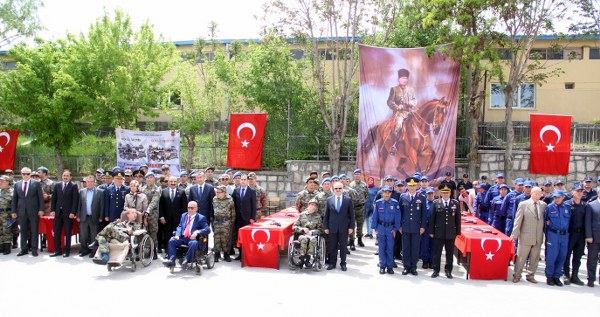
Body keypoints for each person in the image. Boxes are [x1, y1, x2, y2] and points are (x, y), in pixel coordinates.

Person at [510, 186, 546, 284]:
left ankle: (531, 275)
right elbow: (518, 220)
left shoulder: (543, 205)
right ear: (532, 193)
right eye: (536, 193)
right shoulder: (523, 204)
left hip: (538, 236)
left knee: (534, 258)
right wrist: (515, 234)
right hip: (525, 235)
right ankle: (517, 275)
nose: (538, 196)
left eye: (540, 194)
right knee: (521, 257)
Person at [163, 201, 211, 268]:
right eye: (188, 208)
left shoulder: (201, 218)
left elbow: (207, 229)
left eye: (192, 208)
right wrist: (177, 234)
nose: (190, 210)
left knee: (193, 243)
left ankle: (187, 260)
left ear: (196, 209)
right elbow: (180, 226)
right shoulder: (184, 215)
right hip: (183, 237)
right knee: (172, 241)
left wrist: (197, 232)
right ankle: (171, 260)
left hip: (193, 238)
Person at [429, 184, 461, 278]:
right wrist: (431, 231)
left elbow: (458, 219)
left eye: (447, 192)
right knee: (437, 253)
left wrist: (458, 232)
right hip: (438, 232)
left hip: (450, 233)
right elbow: (432, 219)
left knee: (449, 253)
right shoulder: (436, 203)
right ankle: (436, 270)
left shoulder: (455, 203)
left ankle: (448, 271)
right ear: (440, 193)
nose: (446, 194)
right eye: (443, 192)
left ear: (450, 193)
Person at [12, 167, 45, 257]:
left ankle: (34, 249)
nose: (26, 175)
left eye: (27, 174)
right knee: (23, 230)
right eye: (24, 174)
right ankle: (24, 249)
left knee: (34, 230)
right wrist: (14, 211)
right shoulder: (17, 184)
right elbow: (15, 198)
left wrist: (41, 209)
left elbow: (40, 198)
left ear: (30, 174)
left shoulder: (36, 184)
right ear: (21, 174)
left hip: (33, 211)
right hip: (21, 211)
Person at [324, 181, 355, 272]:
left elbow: (351, 215)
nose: (338, 190)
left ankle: (343, 263)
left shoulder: (348, 200)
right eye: (336, 188)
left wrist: (351, 227)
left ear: (343, 189)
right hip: (332, 227)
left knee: (343, 246)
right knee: (332, 246)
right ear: (333, 189)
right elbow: (326, 215)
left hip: (344, 227)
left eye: (340, 188)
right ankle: (332, 263)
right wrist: (326, 227)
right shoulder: (329, 200)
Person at [399, 176, 427, 276]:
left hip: (416, 227)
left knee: (415, 248)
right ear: (407, 186)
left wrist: (423, 226)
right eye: (410, 186)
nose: (412, 187)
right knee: (406, 247)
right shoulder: (403, 197)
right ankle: (406, 267)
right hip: (405, 227)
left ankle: (414, 267)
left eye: (414, 186)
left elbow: (424, 214)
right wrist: (399, 226)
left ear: (417, 186)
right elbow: (400, 213)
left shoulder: (422, 198)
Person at [544, 190, 571, 286]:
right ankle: (550, 276)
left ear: (563, 197)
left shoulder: (567, 207)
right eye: (555, 197)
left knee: (562, 256)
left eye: (559, 197)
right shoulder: (549, 207)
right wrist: (547, 236)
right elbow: (545, 222)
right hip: (553, 234)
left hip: (564, 235)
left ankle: (557, 276)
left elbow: (569, 221)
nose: (557, 199)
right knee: (552, 256)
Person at [372, 185, 400, 274]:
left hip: (390, 229)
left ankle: (390, 267)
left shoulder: (395, 203)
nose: (387, 194)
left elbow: (397, 217)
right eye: (385, 192)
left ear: (391, 193)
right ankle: (382, 266)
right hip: (381, 228)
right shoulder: (378, 202)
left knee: (390, 248)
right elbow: (374, 216)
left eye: (389, 192)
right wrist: (375, 228)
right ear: (382, 193)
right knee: (382, 248)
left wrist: (395, 229)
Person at [562, 183, 586, 286]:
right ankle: (566, 274)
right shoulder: (567, 204)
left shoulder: (585, 206)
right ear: (573, 192)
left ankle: (575, 275)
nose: (579, 193)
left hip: (581, 235)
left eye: (581, 191)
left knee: (578, 256)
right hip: (570, 233)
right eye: (577, 191)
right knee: (567, 255)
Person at [158, 176, 187, 254]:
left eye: (174, 182)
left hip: (178, 219)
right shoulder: (163, 191)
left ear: (177, 182)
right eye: (171, 181)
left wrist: (184, 218)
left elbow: (184, 207)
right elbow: (161, 205)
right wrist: (161, 216)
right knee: (168, 235)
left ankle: (179, 251)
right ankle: (168, 251)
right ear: (168, 182)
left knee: (178, 235)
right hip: (167, 219)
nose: (173, 183)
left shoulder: (181, 192)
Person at [77, 175, 104, 257]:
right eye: (88, 182)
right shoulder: (82, 191)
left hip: (94, 216)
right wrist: (78, 215)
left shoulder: (100, 192)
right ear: (86, 183)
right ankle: (84, 250)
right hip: (84, 216)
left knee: (94, 235)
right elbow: (79, 205)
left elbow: (101, 205)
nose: (90, 183)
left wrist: (101, 216)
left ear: (94, 183)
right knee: (83, 235)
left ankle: (94, 251)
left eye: (91, 182)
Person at [292, 198, 323, 268]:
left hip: (313, 236)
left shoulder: (318, 217)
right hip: (302, 235)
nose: (313, 206)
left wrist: (313, 232)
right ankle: (302, 258)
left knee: (313, 240)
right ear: (308, 205)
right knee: (304, 239)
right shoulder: (302, 215)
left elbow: (321, 230)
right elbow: (294, 227)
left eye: (315, 205)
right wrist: (302, 229)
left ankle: (307, 259)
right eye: (312, 205)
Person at [232, 174, 256, 260]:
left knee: (246, 236)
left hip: (247, 218)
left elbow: (254, 206)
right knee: (239, 236)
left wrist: (252, 218)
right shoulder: (236, 191)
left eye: (244, 179)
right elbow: (233, 204)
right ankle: (240, 254)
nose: (242, 181)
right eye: (241, 179)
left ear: (247, 180)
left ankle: (247, 254)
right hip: (238, 218)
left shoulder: (252, 191)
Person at [387, 68, 417, 134]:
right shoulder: (394, 89)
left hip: (410, 112)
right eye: (403, 78)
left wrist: (411, 103)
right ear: (399, 79)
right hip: (400, 113)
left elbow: (414, 100)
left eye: (406, 78)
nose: (404, 80)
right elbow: (389, 102)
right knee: (399, 125)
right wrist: (397, 107)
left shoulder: (411, 89)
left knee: (420, 122)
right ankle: (395, 142)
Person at [141, 172, 161, 259]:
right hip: (143, 214)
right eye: (147, 178)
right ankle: (147, 250)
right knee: (144, 232)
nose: (149, 179)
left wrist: (148, 210)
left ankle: (154, 251)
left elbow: (154, 201)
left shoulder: (157, 188)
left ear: (154, 179)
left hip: (153, 214)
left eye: (151, 177)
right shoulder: (142, 189)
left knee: (153, 232)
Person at [212, 185, 235, 262]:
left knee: (226, 238)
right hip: (217, 222)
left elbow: (233, 212)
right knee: (216, 238)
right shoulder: (214, 199)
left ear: (224, 193)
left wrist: (231, 222)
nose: (217, 194)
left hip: (226, 222)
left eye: (219, 192)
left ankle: (226, 254)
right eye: (216, 192)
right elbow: (212, 210)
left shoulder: (230, 200)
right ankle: (217, 254)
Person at [349, 169, 368, 248]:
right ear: (354, 175)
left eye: (358, 174)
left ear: (360, 175)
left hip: (361, 207)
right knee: (352, 225)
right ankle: (352, 241)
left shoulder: (364, 185)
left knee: (360, 224)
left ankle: (359, 239)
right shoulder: (351, 185)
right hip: (352, 208)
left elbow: (366, 195)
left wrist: (362, 202)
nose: (357, 175)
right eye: (355, 174)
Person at [585, 195, 600, 287]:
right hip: (594, 237)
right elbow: (587, 221)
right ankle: (591, 278)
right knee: (592, 259)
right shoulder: (591, 205)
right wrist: (589, 235)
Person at [420, 187, 435, 269]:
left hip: (433, 227)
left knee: (433, 245)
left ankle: (431, 261)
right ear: (426, 194)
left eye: (431, 193)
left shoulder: (437, 203)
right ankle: (425, 261)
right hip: (425, 227)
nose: (430, 195)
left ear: (434, 194)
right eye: (428, 193)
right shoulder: (423, 203)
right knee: (424, 244)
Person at [0, 175, 14, 254]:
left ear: (7, 182)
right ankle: (1, 246)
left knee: (7, 230)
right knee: (0, 230)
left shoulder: (12, 192)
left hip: (7, 215)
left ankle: (7, 248)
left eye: (2, 181)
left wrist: (14, 214)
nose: (0, 182)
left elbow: (15, 204)